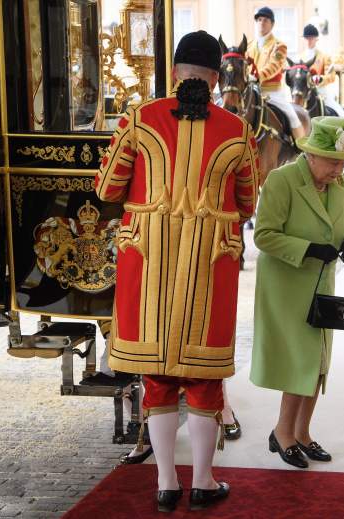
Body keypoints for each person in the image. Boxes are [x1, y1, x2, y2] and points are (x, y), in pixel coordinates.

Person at [96, 31, 259, 512]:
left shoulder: (139, 120)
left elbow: (108, 186)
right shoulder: (237, 129)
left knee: (159, 375)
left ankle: (166, 482)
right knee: (205, 378)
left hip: (148, 265)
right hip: (211, 267)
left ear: (173, 73)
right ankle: (204, 481)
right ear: (215, 77)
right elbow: (247, 202)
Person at [250, 116, 344, 469]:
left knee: (317, 363)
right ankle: (282, 433)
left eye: (343, 162)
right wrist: (310, 249)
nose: (339, 169)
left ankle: (302, 432)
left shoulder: (339, 184)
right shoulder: (282, 180)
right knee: (301, 360)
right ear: (311, 155)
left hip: (322, 285)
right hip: (287, 286)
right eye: (333, 162)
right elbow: (263, 235)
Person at [248, 6, 307, 140]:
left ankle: (302, 148)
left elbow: (274, 66)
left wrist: (257, 76)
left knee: (292, 115)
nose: (262, 23)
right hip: (252, 90)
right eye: (259, 20)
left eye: (265, 20)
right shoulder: (249, 45)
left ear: (272, 24)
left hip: (272, 93)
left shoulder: (279, 45)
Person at [301, 24, 344, 118]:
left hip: (320, 93)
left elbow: (331, 76)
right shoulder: (300, 58)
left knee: (343, 116)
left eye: (311, 38)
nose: (308, 41)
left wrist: (320, 79)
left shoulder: (324, 56)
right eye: (306, 38)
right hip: (303, 94)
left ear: (316, 39)